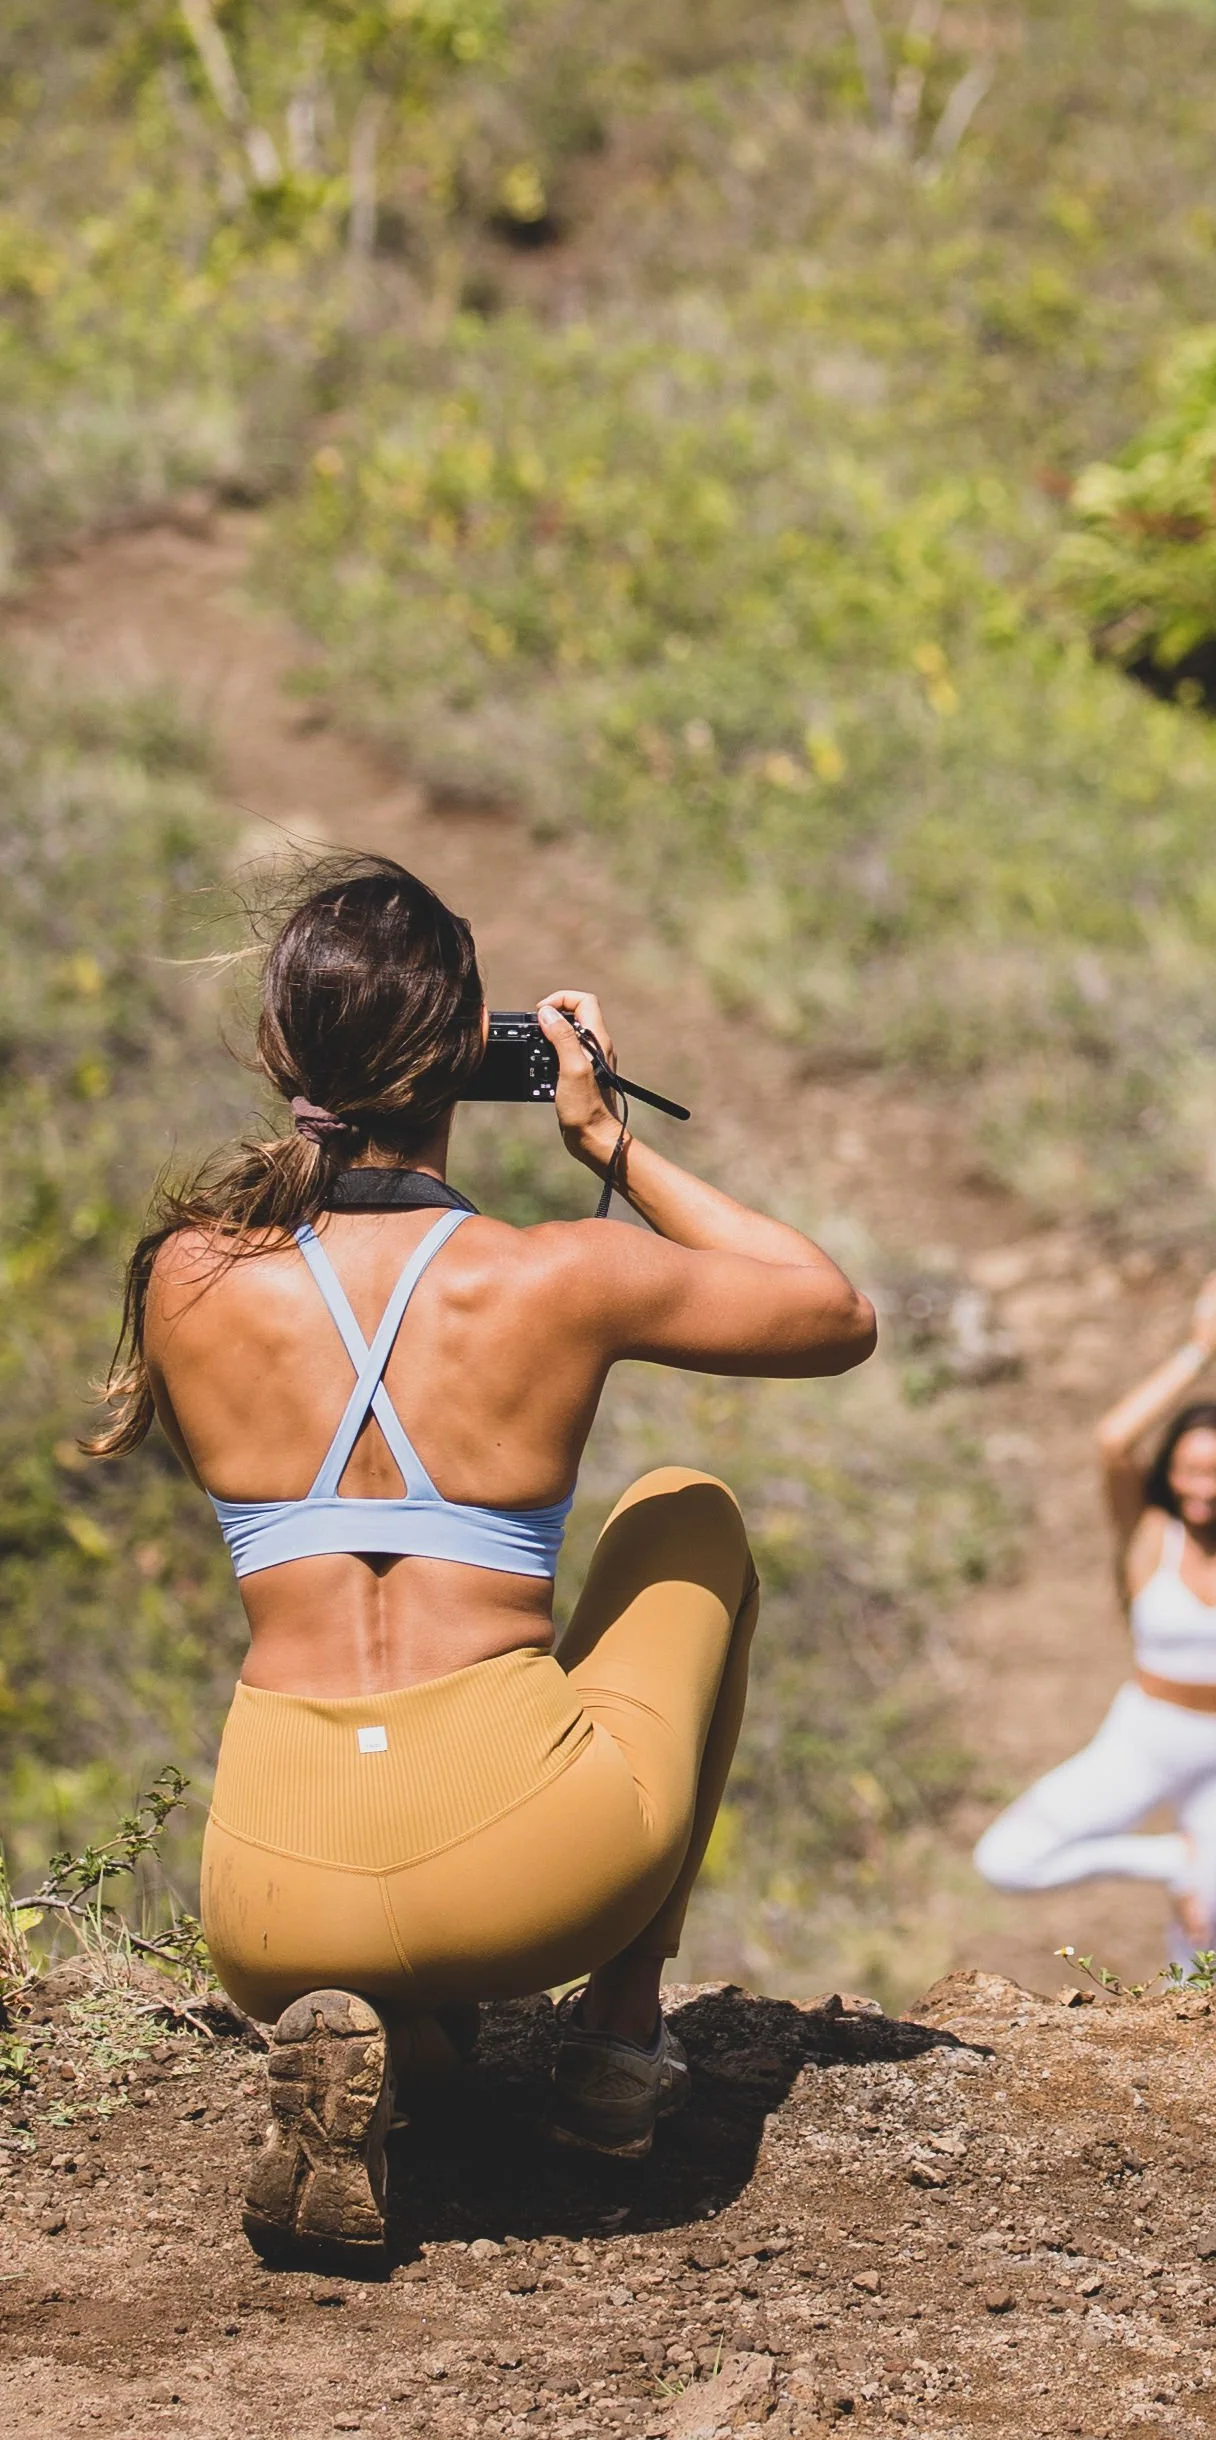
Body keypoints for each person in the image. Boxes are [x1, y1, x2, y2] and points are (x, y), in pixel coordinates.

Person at [95, 854, 874, 2254]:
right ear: (473, 1056)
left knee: (374, 1933)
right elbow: (832, 1312)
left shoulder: (184, 1277)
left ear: (281, 1050)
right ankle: (617, 2049)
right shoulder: (554, 1277)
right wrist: (607, 1147)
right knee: (686, 1503)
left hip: (270, 1897)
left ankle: (389, 2038)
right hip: (527, 1869)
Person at [972, 1271, 1216, 1965]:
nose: (1204, 1487)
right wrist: (1196, 1354)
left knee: (1201, 1946)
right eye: (1190, 1470)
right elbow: (1112, 1440)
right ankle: (1167, 1859)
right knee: (1007, 1858)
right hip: (1144, 1739)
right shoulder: (1147, 1536)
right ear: (1170, 1470)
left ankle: (1187, 2057)